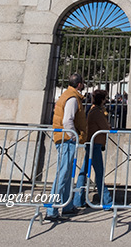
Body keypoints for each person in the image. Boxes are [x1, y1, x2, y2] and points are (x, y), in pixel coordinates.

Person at [46, 73, 87, 220]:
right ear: (80, 84)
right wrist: (74, 136)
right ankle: (52, 208)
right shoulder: (72, 98)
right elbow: (67, 120)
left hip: (63, 138)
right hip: (66, 139)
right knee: (63, 174)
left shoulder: (67, 95)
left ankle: (67, 205)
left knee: (67, 173)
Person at [73, 89, 113, 209]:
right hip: (94, 144)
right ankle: (106, 201)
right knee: (99, 172)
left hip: (92, 142)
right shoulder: (96, 111)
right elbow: (105, 126)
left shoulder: (94, 110)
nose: (106, 101)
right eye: (105, 98)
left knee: (84, 171)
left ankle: (78, 200)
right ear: (101, 99)